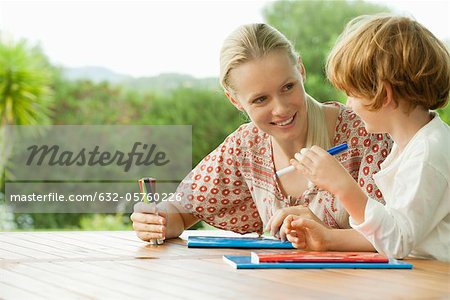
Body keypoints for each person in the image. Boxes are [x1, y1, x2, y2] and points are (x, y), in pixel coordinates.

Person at [131, 23, 392, 250]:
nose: (280, 108)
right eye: (260, 99)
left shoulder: (365, 133)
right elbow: (181, 210)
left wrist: (325, 232)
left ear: (300, 70)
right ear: (235, 100)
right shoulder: (246, 147)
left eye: (288, 87)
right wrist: (156, 220)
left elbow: (400, 234)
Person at [285, 14, 450, 261]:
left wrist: (342, 186)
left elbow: (397, 242)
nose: (348, 105)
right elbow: (393, 230)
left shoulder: (428, 153)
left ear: (383, 95)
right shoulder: (410, 145)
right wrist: (328, 239)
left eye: (351, 94)